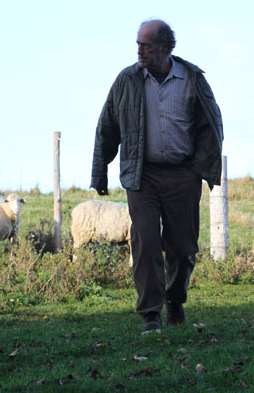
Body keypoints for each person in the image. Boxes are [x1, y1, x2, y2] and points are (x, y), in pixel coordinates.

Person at [90, 19, 224, 332]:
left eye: (146, 45)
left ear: (165, 47)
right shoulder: (127, 80)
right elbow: (107, 126)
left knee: (182, 246)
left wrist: (201, 168)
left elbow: (210, 126)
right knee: (146, 241)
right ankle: (151, 313)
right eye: (138, 43)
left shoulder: (192, 78)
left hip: (182, 174)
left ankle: (175, 299)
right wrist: (100, 172)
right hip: (142, 175)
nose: (139, 50)